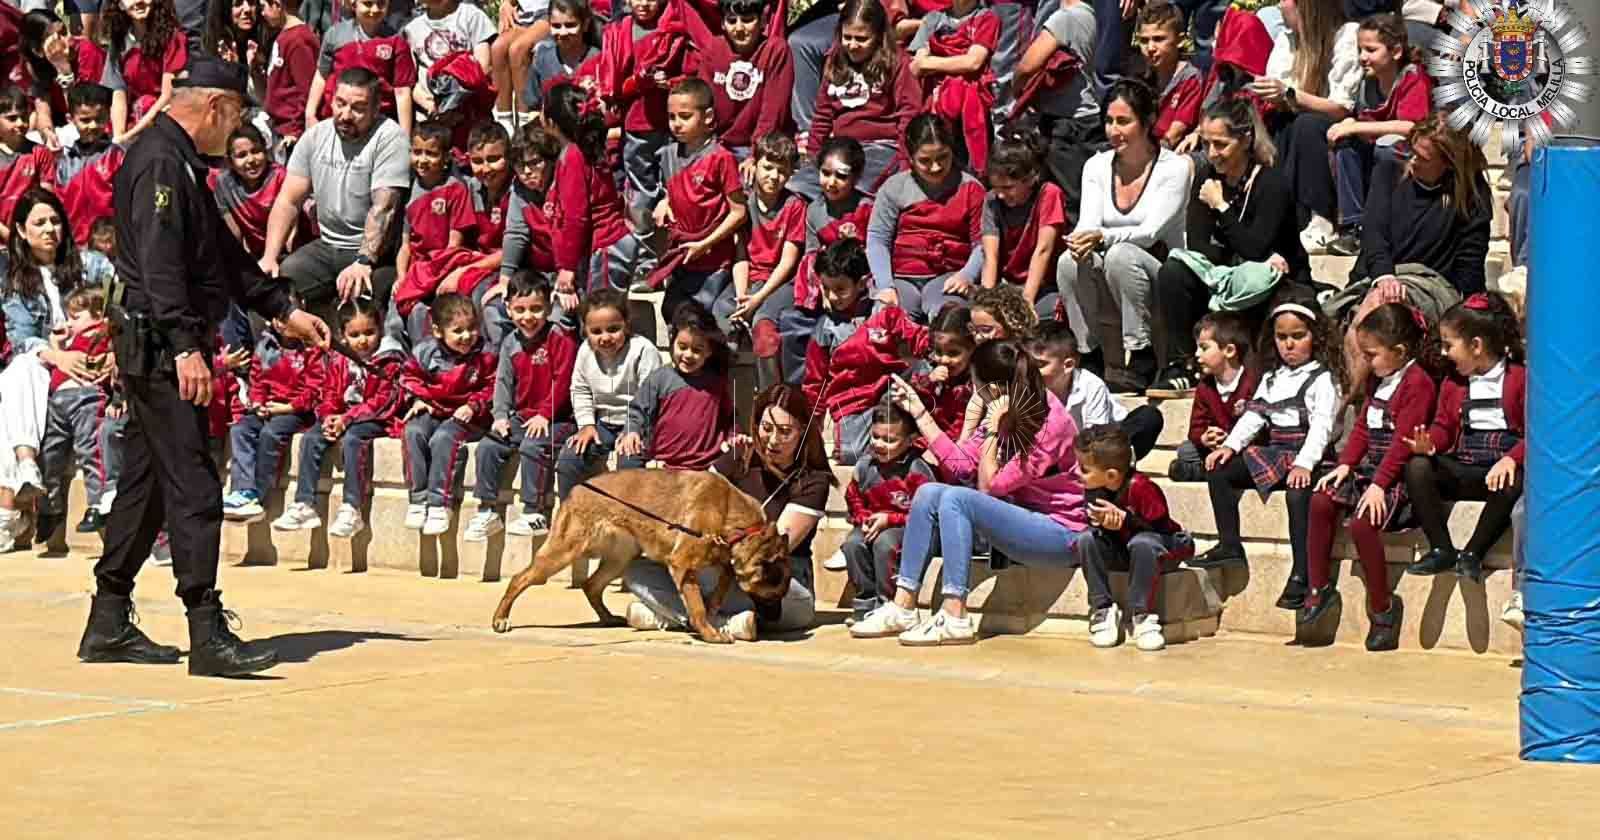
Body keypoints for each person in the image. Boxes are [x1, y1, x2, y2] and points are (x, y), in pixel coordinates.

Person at [86, 56, 331, 677]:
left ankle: (107, 620)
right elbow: (161, 264)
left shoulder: (178, 161)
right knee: (194, 483)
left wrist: (281, 308)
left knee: (145, 484)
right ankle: (206, 631)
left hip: (157, 343)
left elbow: (220, 254)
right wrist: (185, 346)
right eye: (238, 114)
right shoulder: (161, 163)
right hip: (163, 348)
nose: (238, 128)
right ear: (217, 107)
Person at [853, 339, 1089, 645]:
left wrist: (991, 428)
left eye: (976, 384)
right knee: (929, 492)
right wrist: (920, 413)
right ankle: (903, 606)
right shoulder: (1006, 407)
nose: (973, 391)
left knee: (956, 499)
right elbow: (961, 465)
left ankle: (955, 615)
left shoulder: (1048, 423)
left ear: (992, 389)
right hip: (1020, 520)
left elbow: (989, 487)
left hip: (1060, 533)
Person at [622, 383, 830, 640]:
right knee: (637, 572)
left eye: (785, 432)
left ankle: (676, 615)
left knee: (795, 608)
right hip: (717, 567)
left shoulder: (814, 481)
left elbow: (768, 550)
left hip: (772, 582)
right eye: (766, 428)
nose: (773, 440)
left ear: (803, 431)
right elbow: (695, 499)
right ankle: (721, 622)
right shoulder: (740, 454)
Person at [1149, 97, 1309, 393]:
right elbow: (1200, 245)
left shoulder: (1271, 182)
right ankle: (1182, 364)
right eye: (1206, 143)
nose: (1212, 154)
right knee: (1174, 272)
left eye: (1221, 144)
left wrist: (1221, 207)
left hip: (1274, 284)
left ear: (1245, 139)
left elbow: (1255, 247)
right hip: (1227, 277)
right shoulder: (1207, 179)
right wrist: (1239, 255)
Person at [1302, 302, 1436, 650]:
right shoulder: (1378, 380)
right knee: (1320, 500)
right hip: (1370, 471)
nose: (1366, 361)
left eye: (1371, 354)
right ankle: (1318, 588)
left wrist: (1379, 486)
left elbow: (1403, 441)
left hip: (1395, 476)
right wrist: (1345, 464)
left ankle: (1382, 606)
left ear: (1399, 352)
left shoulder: (1418, 383)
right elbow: (1362, 426)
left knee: (1363, 523)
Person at [1195, 300, 1341, 615]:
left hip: (1309, 457)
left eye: (1298, 336)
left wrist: (1304, 463)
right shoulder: (1272, 378)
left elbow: (1322, 428)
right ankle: (1230, 544)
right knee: (1219, 469)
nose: (1289, 344)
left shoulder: (1322, 379)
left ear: (1315, 336)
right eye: (1282, 337)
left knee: (1298, 494)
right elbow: (1253, 417)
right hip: (1276, 453)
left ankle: (1301, 573)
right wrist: (1229, 446)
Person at [1056, 78, 1193, 393]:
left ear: (1147, 121)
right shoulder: (1096, 166)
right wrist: (1080, 241)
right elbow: (1088, 223)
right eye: (1109, 121)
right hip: (1111, 272)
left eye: (1123, 121)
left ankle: (1141, 353)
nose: (1113, 130)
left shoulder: (1174, 168)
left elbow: (1150, 232)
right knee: (1068, 262)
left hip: (1162, 272)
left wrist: (1100, 238)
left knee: (1121, 255)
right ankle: (1089, 354)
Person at [1336, 115, 1491, 392]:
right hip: (1381, 276)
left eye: (1423, 158)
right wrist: (1384, 276)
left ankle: (1347, 405)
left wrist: (1469, 316)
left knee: (1373, 311)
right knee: (1373, 307)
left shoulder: (1471, 196)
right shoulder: (1388, 172)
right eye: (1411, 151)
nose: (1412, 161)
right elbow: (1374, 233)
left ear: (1448, 164)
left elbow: (1470, 266)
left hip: (1432, 286)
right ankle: (1357, 402)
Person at [0, 189, 116, 546]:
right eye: (39, 223)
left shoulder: (93, 265)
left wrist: (115, 349)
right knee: (18, 370)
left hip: (94, 358)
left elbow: (123, 306)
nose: (50, 229)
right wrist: (59, 357)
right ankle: (25, 465)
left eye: (55, 221)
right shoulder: (15, 278)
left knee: (10, 393)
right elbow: (22, 338)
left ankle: (9, 511)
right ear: (22, 231)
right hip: (47, 368)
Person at [261, 67, 409, 320]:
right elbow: (288, 200)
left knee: (363, 297)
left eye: (358, 108)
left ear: (376, 109)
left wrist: (364, 261)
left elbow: (384, 208)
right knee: (274, 287)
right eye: (340, 104)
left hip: (374, 254)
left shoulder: (390, 138)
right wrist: (269, 256)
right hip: (326, 245)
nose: (345, 115)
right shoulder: (316, 136)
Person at [1403, 292, 1524, 586]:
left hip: (1498, 473)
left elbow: (1535, 433)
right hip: (1465, 465)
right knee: (1417, 466)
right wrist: (1430, 443)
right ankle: (1441, 548)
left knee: (1514, 481)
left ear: (1476, 346)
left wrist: (1511, 459)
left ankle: (1473, 553)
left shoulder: (1519, 378)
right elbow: (1444, 425)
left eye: (1449, 345)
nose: (1444, 353)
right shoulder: (1454, 382)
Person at [272, 297, 405, 537]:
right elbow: (330, 392)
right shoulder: (339, 358)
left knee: (353, 439)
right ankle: (304, 504)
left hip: (375, 418)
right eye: (355, 335)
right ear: (343, 336)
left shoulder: (389, 359)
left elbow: (384, 401)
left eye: (369, 332)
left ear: (381, 330)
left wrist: (348, 418)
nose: (363, 340)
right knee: (312, 437)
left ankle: (352, 508)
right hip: (343, 416)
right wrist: (328, 417)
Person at [462, 273, 577, 542]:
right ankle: (487, 510)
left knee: (533, 446)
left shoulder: (560, 338)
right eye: (520, 309)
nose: (528, 317)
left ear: (549, 306)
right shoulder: (510, 342)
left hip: (559, 419)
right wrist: (501, 416)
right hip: (523, 416)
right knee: (488, 446)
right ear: (508, 308)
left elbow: (564, 381)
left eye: (536, 309)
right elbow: (503, 382)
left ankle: (534, 512)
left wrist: (545, 414)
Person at [801, 238, 929, 466]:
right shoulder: (825, 329)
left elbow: (919, 338)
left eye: (840, 289)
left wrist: (937, 359)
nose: (832, 296)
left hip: (890, 394)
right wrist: (813, 423)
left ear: (862, 284)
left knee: (925, 369)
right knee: (851, 454)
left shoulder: (884, 313)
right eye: (826, 289)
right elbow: (815, 382)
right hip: (853, 404)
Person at [1075, 423, 1192, 651]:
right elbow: (1095, 525)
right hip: (1125, 548)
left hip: (1163, 546)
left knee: (1143, 542)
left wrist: (1126, 520)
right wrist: (1102, 524)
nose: (1078, 473)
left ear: (1110, 475)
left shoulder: (1142, 487)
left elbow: (1159, 527)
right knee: (1086, 539)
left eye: (1084, 469)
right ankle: (1103, 609)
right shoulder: (1093, 487)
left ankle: (1142, 614)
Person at [642, 77, 747, 326]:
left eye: (685, 116)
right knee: (672, 313)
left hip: (713, 260)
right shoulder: (668, 155)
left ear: (708, 117)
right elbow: (676, 189)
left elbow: (739, 212)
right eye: (671, 117)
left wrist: (704, 243)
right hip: (682, 257)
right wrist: (665, 201)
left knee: (700, 321)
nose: (676, 124)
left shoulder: (721, 158)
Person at [1323, 13, 1431, 255]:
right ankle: (1354, 227)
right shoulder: (1368, 83)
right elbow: (1364, 120)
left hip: (1412, 157)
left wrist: (1356, 126)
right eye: (1360, 50)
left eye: (1371, 50)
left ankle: (1391, 224)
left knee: (1387, 146)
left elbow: (1412, 127)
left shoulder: (1413, 78)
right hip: (1375, 156)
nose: (1362, 57)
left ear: (1396, 52)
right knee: (1346, 144)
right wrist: (1350, 122)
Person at [1251, 0, 1358, 239]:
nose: (1280, 5)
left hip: (1333, 122)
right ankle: (1278, 216)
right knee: (1275, 123)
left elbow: (1341, 108)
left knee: (1305, 125)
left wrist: (1289, 94)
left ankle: (1321, 218)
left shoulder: (1346, 35)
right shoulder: (1287, 38)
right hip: (1292, 118)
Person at [866, 113, 986, 323]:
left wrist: (967, 275)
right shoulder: (894, 187)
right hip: (901, 279)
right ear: (911, 158)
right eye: (925, 161)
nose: (936, 167)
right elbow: (878, 239)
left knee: (949, 320)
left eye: (943, 157)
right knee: (886, 320)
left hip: (948, 278)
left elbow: (983, 243)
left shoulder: (971, 189)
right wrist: (885, 286)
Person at [795, 0, 918, 201]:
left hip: (882, 147)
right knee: (798, 187)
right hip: (842, 148)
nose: (852, 45)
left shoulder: (896, 62)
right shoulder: (836, 61)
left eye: (861, 39)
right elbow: (823, 114)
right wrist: (813, 156)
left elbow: (909, 114)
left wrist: (905, 163)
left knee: (851, 189)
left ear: (878, 36)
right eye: (847, 37)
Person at [542, 82, 648, 308]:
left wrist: (567, 267)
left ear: (551, 122)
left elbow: (575, 217)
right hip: (612, 245)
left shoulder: (573, 156)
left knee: (603, 314)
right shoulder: (588, 147)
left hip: (605, 248)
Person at [220, 297, 320, 522]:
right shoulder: (266, 345)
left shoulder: (312, 348)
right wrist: (258, 402)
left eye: (287, 316)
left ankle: (258, 494)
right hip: (270, 407)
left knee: (270, 433)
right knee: (241, 428)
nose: (283, 324)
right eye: (278, 317)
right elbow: (258, 380)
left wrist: (289, 407)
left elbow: (316, 388)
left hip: (298, 411)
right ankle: (243, 489)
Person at [833, 403, 935, 619]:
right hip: (872, 524)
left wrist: (890, 520)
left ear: (910, 440)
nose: (879, 444)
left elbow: (927, 514)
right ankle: (865, 604)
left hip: (906, 527)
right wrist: (863, 518)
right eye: (875, 437)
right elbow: (853, 497)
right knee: (853, 544)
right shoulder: (865, 465)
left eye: (889, 440)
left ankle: (886, 604)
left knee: (885, 543)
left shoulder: (917, 471)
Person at [36, 285, 123, 540]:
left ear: (98, 316)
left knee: (91, 451)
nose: (69, 323)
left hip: (87, 398)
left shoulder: (104, 334)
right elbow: (55, 358)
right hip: (57, 401)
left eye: (76, 317)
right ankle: (49, 508)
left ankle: (98, 504)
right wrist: (57, 343)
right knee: (49, 454)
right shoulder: (69, 341)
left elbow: (115, 359)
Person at [556, 288, 657, 500]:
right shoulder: (585, 351)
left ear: (626, 325)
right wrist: (586, 424)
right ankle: (569, 511)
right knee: (570, 457)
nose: (605, 337)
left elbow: (649, 396)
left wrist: (633, 429)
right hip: (604, 423)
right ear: (586, 331)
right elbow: (580, 389)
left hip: (639, 423)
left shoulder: (642, 350)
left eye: (613, 329)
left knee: (629, 461)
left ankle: (629, 514)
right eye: (596, 331)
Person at [786, 136, 871, 381]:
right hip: (824, 286)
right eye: (825, 173)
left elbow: (876, 252)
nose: (831, 182)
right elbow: (812, 254)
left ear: (856, 177)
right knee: (791, 324)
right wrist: (823, 291)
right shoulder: (815, 211)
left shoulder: (867, 208)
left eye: (841, 176)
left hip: (860, 287)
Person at [725, 131, 805, 389]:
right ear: (754, 165)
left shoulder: (794, 206)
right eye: (767, 167)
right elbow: (740, 255)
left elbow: (788, 263)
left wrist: (757, 299)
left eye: (781, 171)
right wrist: (742, 296)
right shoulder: (744, 203)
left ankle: (772, 397)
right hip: (748, 279)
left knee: (765, 329)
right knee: (718, 315)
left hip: (780, 283)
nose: (773, 176)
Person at [1030, 320, 1165, 460]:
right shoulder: (1026, 387)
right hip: (1057, 452)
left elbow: (1095, 439)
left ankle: (1121, 463)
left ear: (1068, 365)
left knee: (1148, 417)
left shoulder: (1091, 385)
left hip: (1098, 445)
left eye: (1040, 365)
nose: (1030, 370)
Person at [623, 301, 735, 470]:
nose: (688, 355)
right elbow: (637, 411)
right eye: (682, 347)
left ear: (709, 352)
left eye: (697, 350)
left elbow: (730, 418)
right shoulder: (660, 379)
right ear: (672, 341)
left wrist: (733, 436)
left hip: (706, 467)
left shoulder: (717, 383)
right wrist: (632, 431)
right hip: (664, 465)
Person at [1013, 0, 1099, 212]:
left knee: (1066, 201)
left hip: (1066, 123)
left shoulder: (1066, 18)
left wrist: (1017, 90)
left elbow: (1027, 66)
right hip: (1084, 119)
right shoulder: (1089, 15)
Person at [979, 130, 1066, 321]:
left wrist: (1026, 303)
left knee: (1045, 315)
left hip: (1043, 286)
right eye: (996, 187)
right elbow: (990, 256)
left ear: (1030, 178)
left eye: (1008, 187)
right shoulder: (992, 201)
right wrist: (986, 303)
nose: (1001, 195)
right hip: (1007, 285)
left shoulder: (1049, 194)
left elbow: (1043, 250)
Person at [697, 0, 795, 165]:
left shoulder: (775, 50)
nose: (739, 28)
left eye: (747, 20)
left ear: (763, 21)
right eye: (731, 21)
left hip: (761, 145)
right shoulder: (713, 48)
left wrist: (756, 154)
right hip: (718, 143)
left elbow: (772, 114)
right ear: (722, 23)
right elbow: (701, 102)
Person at [907, 0, 999, 173]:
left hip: (971, 106)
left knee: (968, 161)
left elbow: (973, 62)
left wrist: (930, 62)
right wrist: (956, 63)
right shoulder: (932, 19)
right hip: (935, 102)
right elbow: (916, 66)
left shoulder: (987, 18)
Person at [1168, 311, 1258, 482]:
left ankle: (1199, 472)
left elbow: (1261, 428)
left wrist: (1230, 438)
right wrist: (1205, 438)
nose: (1197, 354)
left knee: (1253, 453)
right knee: (1185, 450)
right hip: (1215, 448)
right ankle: (1206, 469)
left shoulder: (1252, 382)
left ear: (1229, 350)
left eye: (1204, 348)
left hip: (1244, 446)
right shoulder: (1205, 386)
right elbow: (1196, 428)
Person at [306, 0, 417, 136]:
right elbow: (322, 75)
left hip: (378, 121)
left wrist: (404, 136)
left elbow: (402, 91)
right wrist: (310, 113)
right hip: (340, 118)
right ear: (354, 4)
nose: (374, 10)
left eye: (381, 4)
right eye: (368, 4)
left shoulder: (396, 40)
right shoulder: (335, 34)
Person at [101, 0, 188, 144]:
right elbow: (118, 93)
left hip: (164, 116)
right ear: (120, 5)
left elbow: (167, 96)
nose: (138, 2)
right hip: (133, 118)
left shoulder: (173, 38)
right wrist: (119, 136)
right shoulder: (119, 42)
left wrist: (129, 136)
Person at [54, 84, 122, 249]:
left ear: (108, 117)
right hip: (74, 245)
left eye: (99, 119)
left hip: (109, 245)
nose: (92, 126)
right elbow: (59, 204)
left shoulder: (116, 157)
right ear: (70, 119)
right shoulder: (65, 161)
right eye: (85, 120)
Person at [1137, 1, 1203, 150]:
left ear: (1180, 40)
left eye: (1159, 39)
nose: (1150, 48)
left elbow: (1173, 136)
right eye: (1144, 41)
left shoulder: (1190, 80)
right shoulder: (1141, 79)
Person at [259, 0, 318, 162]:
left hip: (290, 134)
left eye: (263, 6)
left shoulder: (299, 39)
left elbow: (307, 89)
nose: (262, 13)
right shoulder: (285, 36)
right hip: (278, 127)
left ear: (277, 4)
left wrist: (295, 130)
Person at [908, 304, 976, 442]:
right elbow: (912, 399)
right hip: (926, 437)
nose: (944, 360)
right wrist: (928, 382)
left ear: (972, 349)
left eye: (953, 353)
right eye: (939, 352)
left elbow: (958, 431)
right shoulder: (932, 373)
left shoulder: (973, 387)